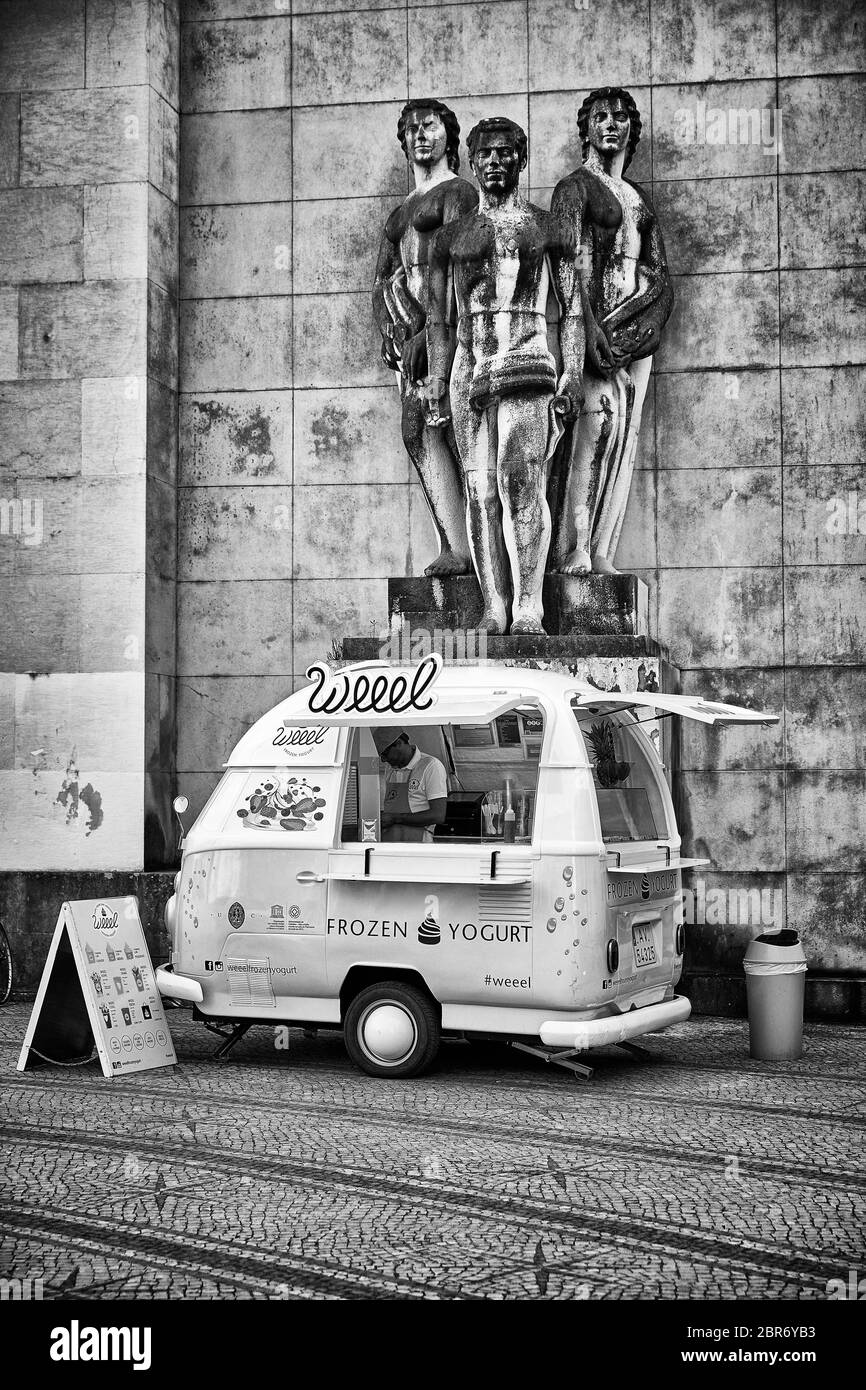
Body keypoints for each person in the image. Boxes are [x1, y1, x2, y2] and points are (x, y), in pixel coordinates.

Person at [425, 117, 584, 634]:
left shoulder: (545, 226)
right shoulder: (453, 235)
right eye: (485, 155)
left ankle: (529, 607)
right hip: (470, 367)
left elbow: (573, 308)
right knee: (480, 491)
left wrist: (574, 373)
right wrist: (436, 379)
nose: (495, 162)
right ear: (473, 163)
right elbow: (442, 318)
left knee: (522, 485)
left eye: (505, 153)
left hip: (527, 359)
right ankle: (494, 606)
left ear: (520, 160)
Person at [549, 87, 673, 576]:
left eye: (620, 118)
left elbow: (659, 272)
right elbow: (567, 267)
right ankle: (573, 547)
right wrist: (588, 330)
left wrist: (634, 325)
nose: (611, 125)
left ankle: (600, 548)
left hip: (629, 334)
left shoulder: (638, 199)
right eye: (600, 117)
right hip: (591, 329)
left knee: (622, 436)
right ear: (586, 129)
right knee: (594, 425)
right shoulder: (575, 188)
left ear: (630, 130)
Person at [372, 98, 477, 576]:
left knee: (445, 433)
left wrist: (436, 338)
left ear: (447, 136)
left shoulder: (458, 193)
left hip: (447, 338)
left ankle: (469, 549)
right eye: (411, 128)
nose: (420, 135)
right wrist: (394, 328)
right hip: (410, 345)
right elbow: (381, 280)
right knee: (421, 432)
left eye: (429, 126)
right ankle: (454, 543)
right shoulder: (400, 212)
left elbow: (459, 272)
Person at [372, 727, 448, 842]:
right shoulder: (390, 768)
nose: (383, 760)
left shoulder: (431, 766)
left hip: (417, 844)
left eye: (385, 754)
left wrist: (395, 818)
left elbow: (438, 815)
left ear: (398, 743)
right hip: (391, 842)